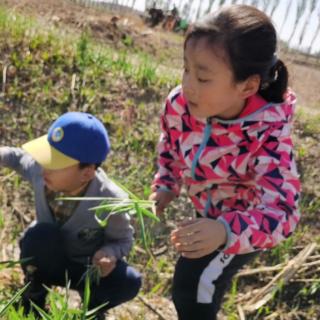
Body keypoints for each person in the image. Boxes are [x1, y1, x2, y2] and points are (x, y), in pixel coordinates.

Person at [150, 5, 301, 320]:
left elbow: (283, 213)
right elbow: (171, 143)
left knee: (192, 286)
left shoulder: (268, 134)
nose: (188, 84)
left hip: (245, 224)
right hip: (207, 209)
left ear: (247, 86)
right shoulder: (180, 104)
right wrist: (166, 181)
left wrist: (225, 231)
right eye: (186, 68)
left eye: (203, 77)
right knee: (198, 286)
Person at [0, 112, 141, 319]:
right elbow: (18, 157)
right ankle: (35, 293)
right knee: (38, 237)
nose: (45, 166)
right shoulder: (41, 172)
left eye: (55, 163)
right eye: (47, 156)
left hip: (85, 271)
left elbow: (123, 240)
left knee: (128, 281)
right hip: (49, 259)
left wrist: (109, 253)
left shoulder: (110, 200)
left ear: (86, 173)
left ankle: (92, 308)